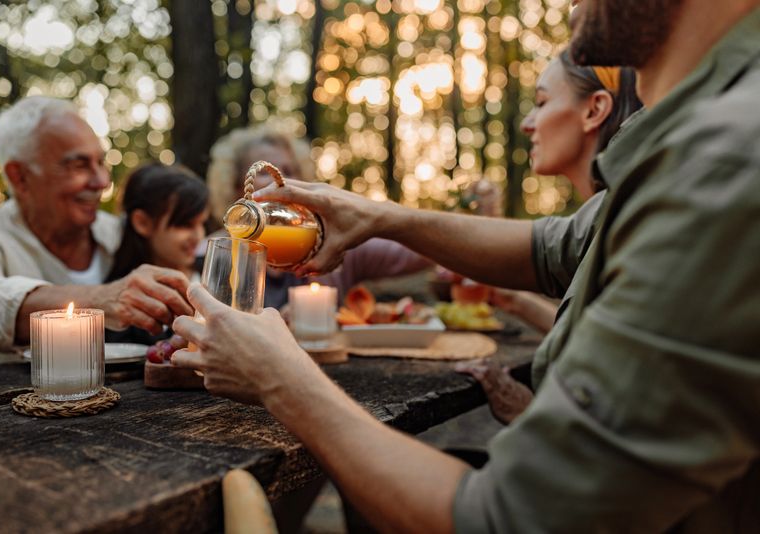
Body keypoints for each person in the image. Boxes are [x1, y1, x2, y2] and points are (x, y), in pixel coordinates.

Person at [172, 0, 760, 530]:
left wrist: (282, 379)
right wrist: (376, 215)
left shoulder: (723, 160)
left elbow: (514, 519)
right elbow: (548, 248)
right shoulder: (691, 145)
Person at [459, 47, 643, 422]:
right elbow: (590, 333)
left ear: (594, 110)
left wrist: (526, 412)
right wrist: (519, 302)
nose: (528, 123)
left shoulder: (631, 220)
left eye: (541, 102)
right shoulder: (610, 215)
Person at [0, 97, 192, 368]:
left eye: (101, 163)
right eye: (79, 165)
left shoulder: (120, 234)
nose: (102, 182)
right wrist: (100, 300)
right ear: (19, 177)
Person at [206, 128, 432, 308]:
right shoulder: (212, 253)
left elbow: (420, 251)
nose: (281, 180)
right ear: (236, 187)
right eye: (266, 173)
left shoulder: (331, 241)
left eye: (289, 170)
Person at [104, 162, 210, 345]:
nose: (198, 235)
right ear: (142, 222)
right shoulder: (122, 301)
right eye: (185, 224)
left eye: (202, 223)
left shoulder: (218, 276)